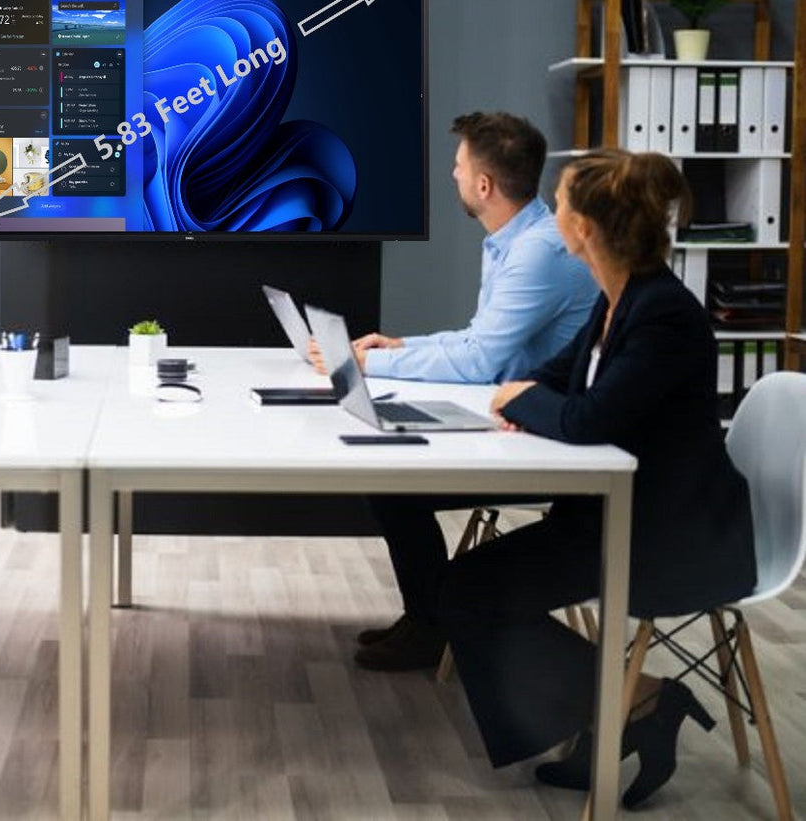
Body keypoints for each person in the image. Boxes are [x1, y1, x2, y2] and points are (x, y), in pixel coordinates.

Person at [439, 148, 755, 808]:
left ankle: (636, 701)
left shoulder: (661, 312)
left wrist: (516, 400)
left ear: (582, 228)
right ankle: (622, 708)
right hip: (618, 515)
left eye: (557, 202)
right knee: (466, 586)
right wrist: (519, 393)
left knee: (469, 589)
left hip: (673, 537)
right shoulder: (618, 299)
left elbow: (586, 417)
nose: (550, 211)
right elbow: (559, 378)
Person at [311, 111, 598, 670]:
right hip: (511, 415)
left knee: (395, 489)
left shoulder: (537, 252)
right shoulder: (514, 240)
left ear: (485, 185)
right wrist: (398, 348)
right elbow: (478, 341)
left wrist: (366, 363)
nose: (453, 174)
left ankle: (431, 625)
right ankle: (427, 619)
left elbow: (480, 359)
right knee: (389, 483)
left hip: (540, 435)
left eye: (460, 166)